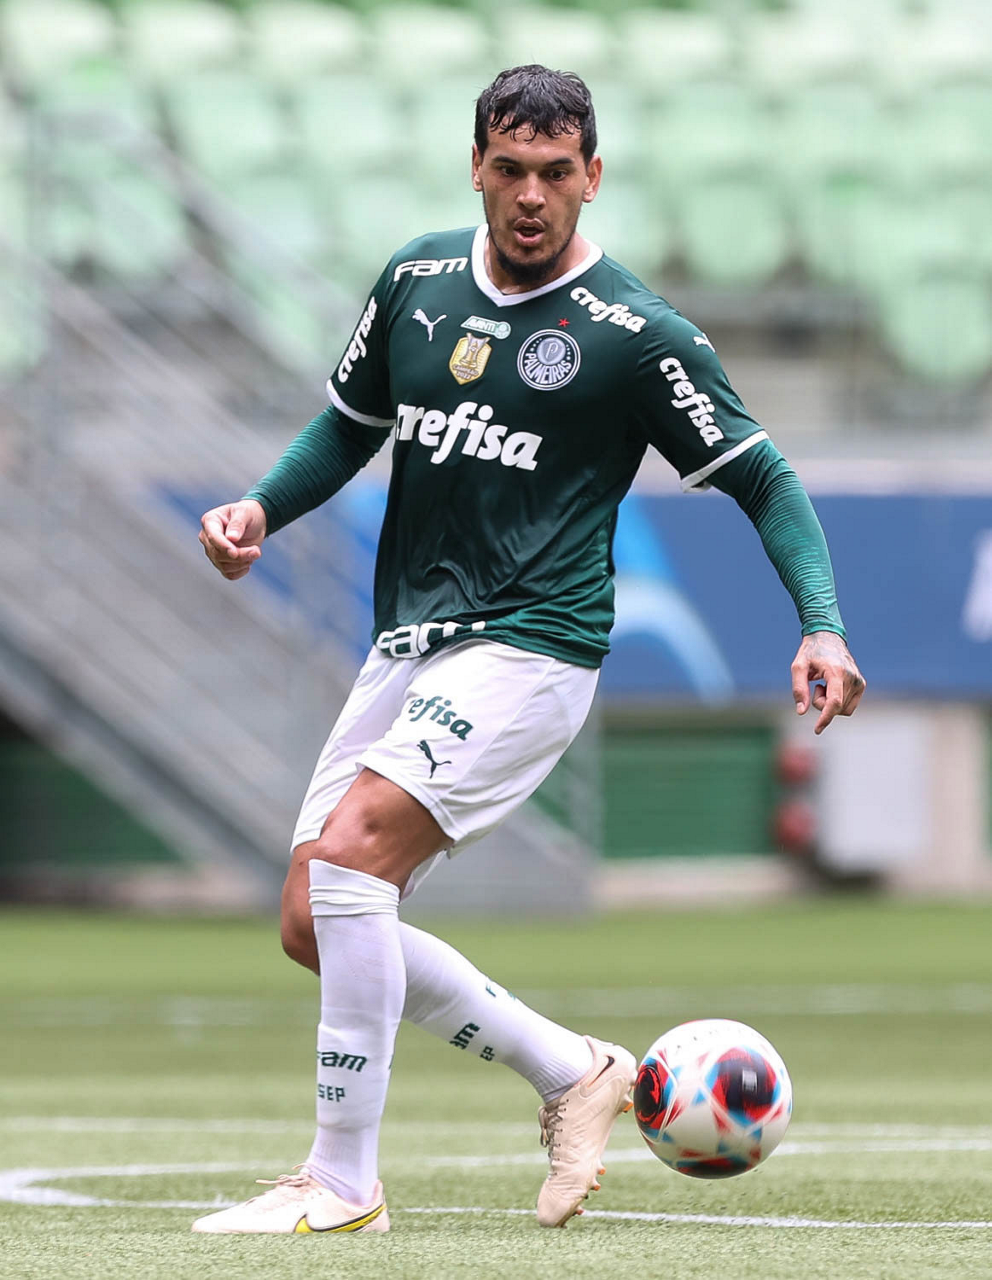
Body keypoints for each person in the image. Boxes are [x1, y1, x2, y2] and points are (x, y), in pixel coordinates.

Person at [192, 65, 865, 1235]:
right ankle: (571, 1068)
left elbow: (761, 473)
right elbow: (348, 427)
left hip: (532, 645)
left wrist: (819, 618)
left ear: (591, 177)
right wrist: (260, 506)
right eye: (509, 169)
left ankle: (340, 1183)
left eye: (555, 173)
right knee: (315, 917)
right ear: (475, 167)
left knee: (350, 863)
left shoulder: (634, 335)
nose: (530, 196)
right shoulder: (414, 281)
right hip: (411, 639)